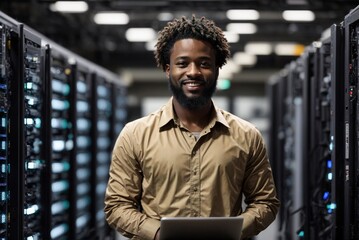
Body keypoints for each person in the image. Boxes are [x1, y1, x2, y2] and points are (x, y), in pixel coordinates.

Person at [104, 15, 280, 240]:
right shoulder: (135, 135)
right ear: (168, 69)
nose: (194, 72)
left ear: (217, 69)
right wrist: (159, 234)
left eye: (204, 63)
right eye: (182, 63)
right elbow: (117, 206)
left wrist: (232, 231)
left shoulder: (247, 135)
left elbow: (265, 202)